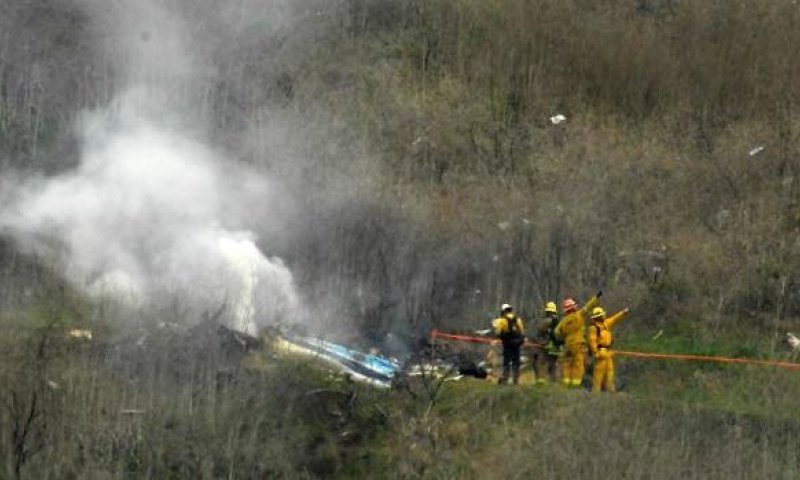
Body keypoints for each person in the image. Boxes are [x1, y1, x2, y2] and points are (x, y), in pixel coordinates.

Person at [554, 292, 601, 387]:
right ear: (574, 307)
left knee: (567, 365)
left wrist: (563, 337)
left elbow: (556, 332)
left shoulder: (563, 321)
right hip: (578, 345)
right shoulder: (579, 315)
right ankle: (575, 385)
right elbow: (588, 306)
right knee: (578, 365)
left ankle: (566, 385)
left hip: (567, 346)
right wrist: (596, 297)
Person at [588, 306, 630, 393]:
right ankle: (595, 392)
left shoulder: (606, 324)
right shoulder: (593, 328)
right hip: (601, 353)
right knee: (598, 374)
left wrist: (623, 313)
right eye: (601, 315)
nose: (603, 316)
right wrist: (595, 352)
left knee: (610, 373)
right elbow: (592, 341)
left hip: (608, 353)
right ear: (598, 317)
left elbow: (615, 319)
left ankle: (611, 391)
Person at [493, 303, 526, 385]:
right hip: (517, 345)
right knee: (516, 364)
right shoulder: (518, 319)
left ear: (503, 311)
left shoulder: (502, 320)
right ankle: (516, 381)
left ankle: (505, 380)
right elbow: (522, 332)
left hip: (507, 345)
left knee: (506, 363)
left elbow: (498, 332)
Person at [532, 301, 561, 384]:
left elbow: (540, 331)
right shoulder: (559, 321)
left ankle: (541, 382)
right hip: (557, 347)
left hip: (547, 346)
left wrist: (540, 341)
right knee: (553, 364)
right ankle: (553, 381)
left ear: (547, 311)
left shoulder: (546, 321)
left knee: (541, 363)